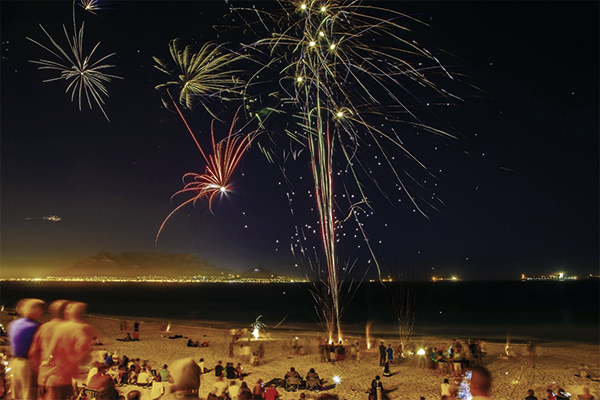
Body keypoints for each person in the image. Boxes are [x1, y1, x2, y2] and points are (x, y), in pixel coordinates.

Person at [33, 301, 96, 400]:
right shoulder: (76, 328)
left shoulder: (44, 327)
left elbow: (33, 352)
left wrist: (41, 368)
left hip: (43, 376)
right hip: (61, 378)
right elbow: (83, 351)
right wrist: (71, 367)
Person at [7, 298, 45, 400]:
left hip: (15, 364)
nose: (41, 313)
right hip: (28, 365)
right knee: (29, 395)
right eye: (40, 310)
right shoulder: (36, 327)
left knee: (16, 395)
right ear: (35, 311)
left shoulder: (14, 324)